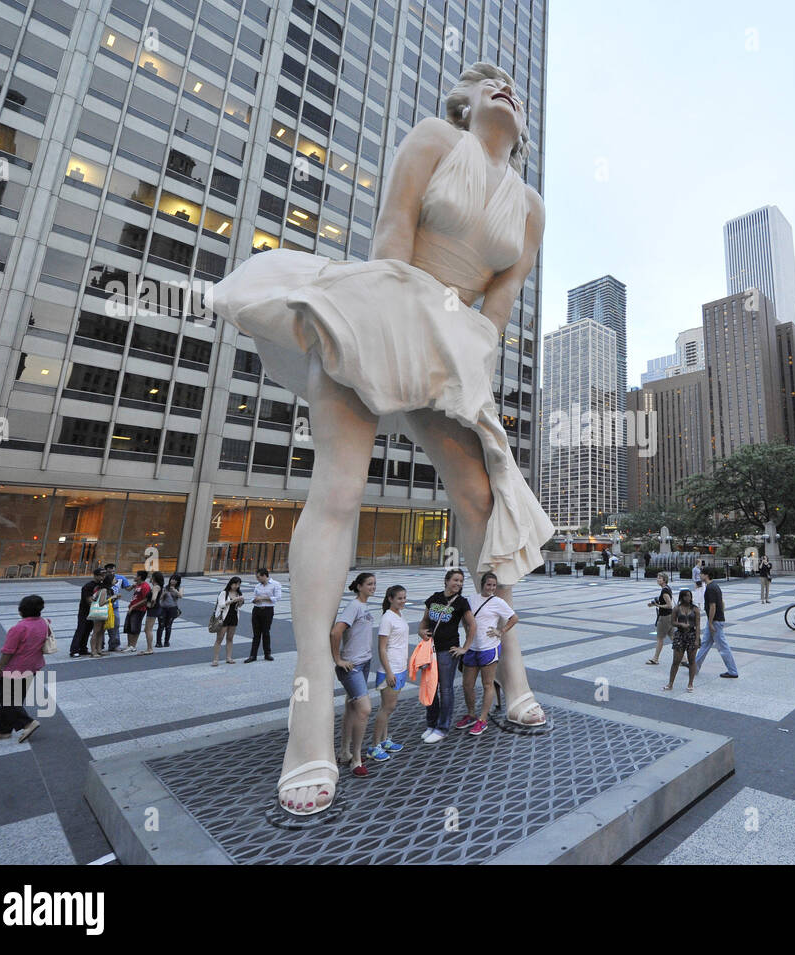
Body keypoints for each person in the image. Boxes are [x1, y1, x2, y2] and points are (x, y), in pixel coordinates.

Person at [207, 63, 555, 815]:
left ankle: (516, 677)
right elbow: (393, 232)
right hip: (381, 306)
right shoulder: (435, 138)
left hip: (454, 343)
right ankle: (308, 718)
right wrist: (404, 329)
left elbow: (500, 304)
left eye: (511, 85)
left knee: (481, 494)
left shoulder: (530, 206)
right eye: (484, 80)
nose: (503, 85)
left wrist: (463, 365)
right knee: (338, 488)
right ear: (462, 103)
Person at [455, 571, 516, 736]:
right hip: (472, 648)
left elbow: (514, 618)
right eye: (489, 585)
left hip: (489, 648)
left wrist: (501, 631)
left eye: (494, 586)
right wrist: (467, 629)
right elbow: (464, 616)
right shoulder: (471, 599)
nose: (491, 588)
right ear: (482, 584)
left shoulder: (498, 602)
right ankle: (471, 714)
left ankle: (482, 720)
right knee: (467, 684)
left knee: (487, 684)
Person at [417, 569, 474, 743]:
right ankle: (431, 724)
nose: (458, 583)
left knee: (445, 689)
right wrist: (421, 631)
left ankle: (442, 728)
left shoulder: (462, 602)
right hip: (431, 649)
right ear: (447, 581)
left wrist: (464, 648)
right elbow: (425, 621)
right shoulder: (434, 598)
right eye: (455, 580)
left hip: (448, 651)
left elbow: (472, 626)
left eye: (461, 581)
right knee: (430, 687)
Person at [333, 573, 377, 777]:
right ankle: (356, 759)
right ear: (359, 586)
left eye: (374, 584)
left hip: (363, 663)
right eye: (369, 584)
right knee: (364, 710)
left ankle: (344, 752)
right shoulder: (354, 606)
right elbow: (336, 632)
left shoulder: (364, 606)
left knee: (352, 707)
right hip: (352, 666)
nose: (373, 587)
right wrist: (338, 659)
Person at [0, 595, 48, 743]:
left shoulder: (19, 628)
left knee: (5, 698)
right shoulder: (43, 623)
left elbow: (8, 651)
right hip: (33, 666)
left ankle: (28, 722)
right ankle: (2, 731)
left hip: (15, 668)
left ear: (21, 611)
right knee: (14, 699)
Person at [369, 584, 410, 762]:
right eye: (399, 598)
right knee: (387, 708)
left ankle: (384, 740)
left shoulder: (399, 615)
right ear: (390, 599)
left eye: (404, 598)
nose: (403, 601)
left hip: (400, 667)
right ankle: (374, 746)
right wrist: (389, 672)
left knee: (388, 708)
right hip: (390, 669)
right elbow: (382, 648)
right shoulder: (387, 618)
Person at [695, 574, 738, 678]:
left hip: (715, 621)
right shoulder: (715, 585)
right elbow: (721, 602)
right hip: (716, 619)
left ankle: (733, 671)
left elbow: (712, 606)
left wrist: (710, 623)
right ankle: (694, 666)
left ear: (706, 575)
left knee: (722, 646)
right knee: (705, 644)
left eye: (701, 574)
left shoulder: (710, 588)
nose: (700, 575)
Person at [663, 590, 700, 692]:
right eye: (687, 596)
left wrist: (697, 639)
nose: (689, 598)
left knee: (692, 661)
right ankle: (670, 683)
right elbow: (673, 622)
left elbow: (698, 625)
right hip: (680, 635)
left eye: (690, 596)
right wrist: (681, 624)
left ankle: (690, 683)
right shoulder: (677, 608)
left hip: (692, 635)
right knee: (676, 661)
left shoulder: (695, 609)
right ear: (682, 597)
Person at [245, 567, 282, 662]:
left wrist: (263, 598)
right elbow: (253, 597)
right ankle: (253, 655)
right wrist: (255, 600)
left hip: (267, 610)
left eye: (258, 577)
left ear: (264, 576)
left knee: (266, 632)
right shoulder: (258, 586)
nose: (257, 579)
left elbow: (278, 597)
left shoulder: (275, 584)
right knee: (256, 634)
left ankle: (267, 654)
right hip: (257, 610)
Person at [69, 568, 104, 657]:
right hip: (85, 611)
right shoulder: (88, 586)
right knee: (81, 630)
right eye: (101, 575)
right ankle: (74, 650)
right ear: (95, 575)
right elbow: (89, 600)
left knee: (87, 630)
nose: (103, 577)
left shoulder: (102, 585)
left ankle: (83, 649)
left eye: (104, 575)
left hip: (94, 612)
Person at [212, 576, 245, 665]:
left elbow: (238, 607)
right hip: (224, 618)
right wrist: (232, 600)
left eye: (238, 584)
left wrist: (241, 601)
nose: (236, 586)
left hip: (234, 617)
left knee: (230, 638)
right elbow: (221, 605)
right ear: (230, 583)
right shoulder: (224, 593)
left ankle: (229, 658)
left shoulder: (238, 593)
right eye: (235, 584)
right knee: (219, 638)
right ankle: (215, 659)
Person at [646, 572, 674, 664]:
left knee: (660, 639)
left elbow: (669, 605)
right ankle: (683, 659)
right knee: (673, 637)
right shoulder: (667, 588)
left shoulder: (664, 591)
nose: (658, 579)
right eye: (657, 578)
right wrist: (654, 603)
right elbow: (663, 599)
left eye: (660, 578)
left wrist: (658, 605)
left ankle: (655, 659)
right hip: (669, 616)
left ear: (664, 580)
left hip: (665, 617)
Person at [103, 563, 131, 653]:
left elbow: (128, 588)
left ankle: (114, 645)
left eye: (113, 571)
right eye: (109, 572)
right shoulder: (102, 578)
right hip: (103, 607)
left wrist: (135, 585)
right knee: (100, 627)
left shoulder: (120, 578)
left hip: (114, 607)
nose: (111, 573)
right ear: (106, 571)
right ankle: (99, 646)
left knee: (115, 626)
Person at [123, 570, 151, 652]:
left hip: (139, 610)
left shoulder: (145, 586)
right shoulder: (137, 585)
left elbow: (146, 600)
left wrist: (133, 606)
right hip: (132, 608)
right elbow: (127, 589)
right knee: (128, 627)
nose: (134, 576)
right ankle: (129, 645)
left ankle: (133, 646)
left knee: (135, 627)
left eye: (136, 575)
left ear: (140, 577)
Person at [139, 571, 163, 653]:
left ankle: (149, 649)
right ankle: (149, 648)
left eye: (151, 576)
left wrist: (151, 604)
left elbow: (154, 598)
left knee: (148, 629)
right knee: (147, 629)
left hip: (153, 609)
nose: (150, 578)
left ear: (154, 578)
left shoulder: (156, 587)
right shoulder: (158, 586)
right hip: (155, 609)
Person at [156, 574, 183, 647]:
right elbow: (159, 598)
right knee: (160, 625)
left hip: (172, 609)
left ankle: (166, 642)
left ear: (178, 581)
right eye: (172, 579)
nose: (173, 581)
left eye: (175, 580)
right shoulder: (165, 588)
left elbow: (181, 596)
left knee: (168, 626)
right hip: (163, 608)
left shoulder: (179, 588)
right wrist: (163, 593)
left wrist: (174, 590)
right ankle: (158, 642)